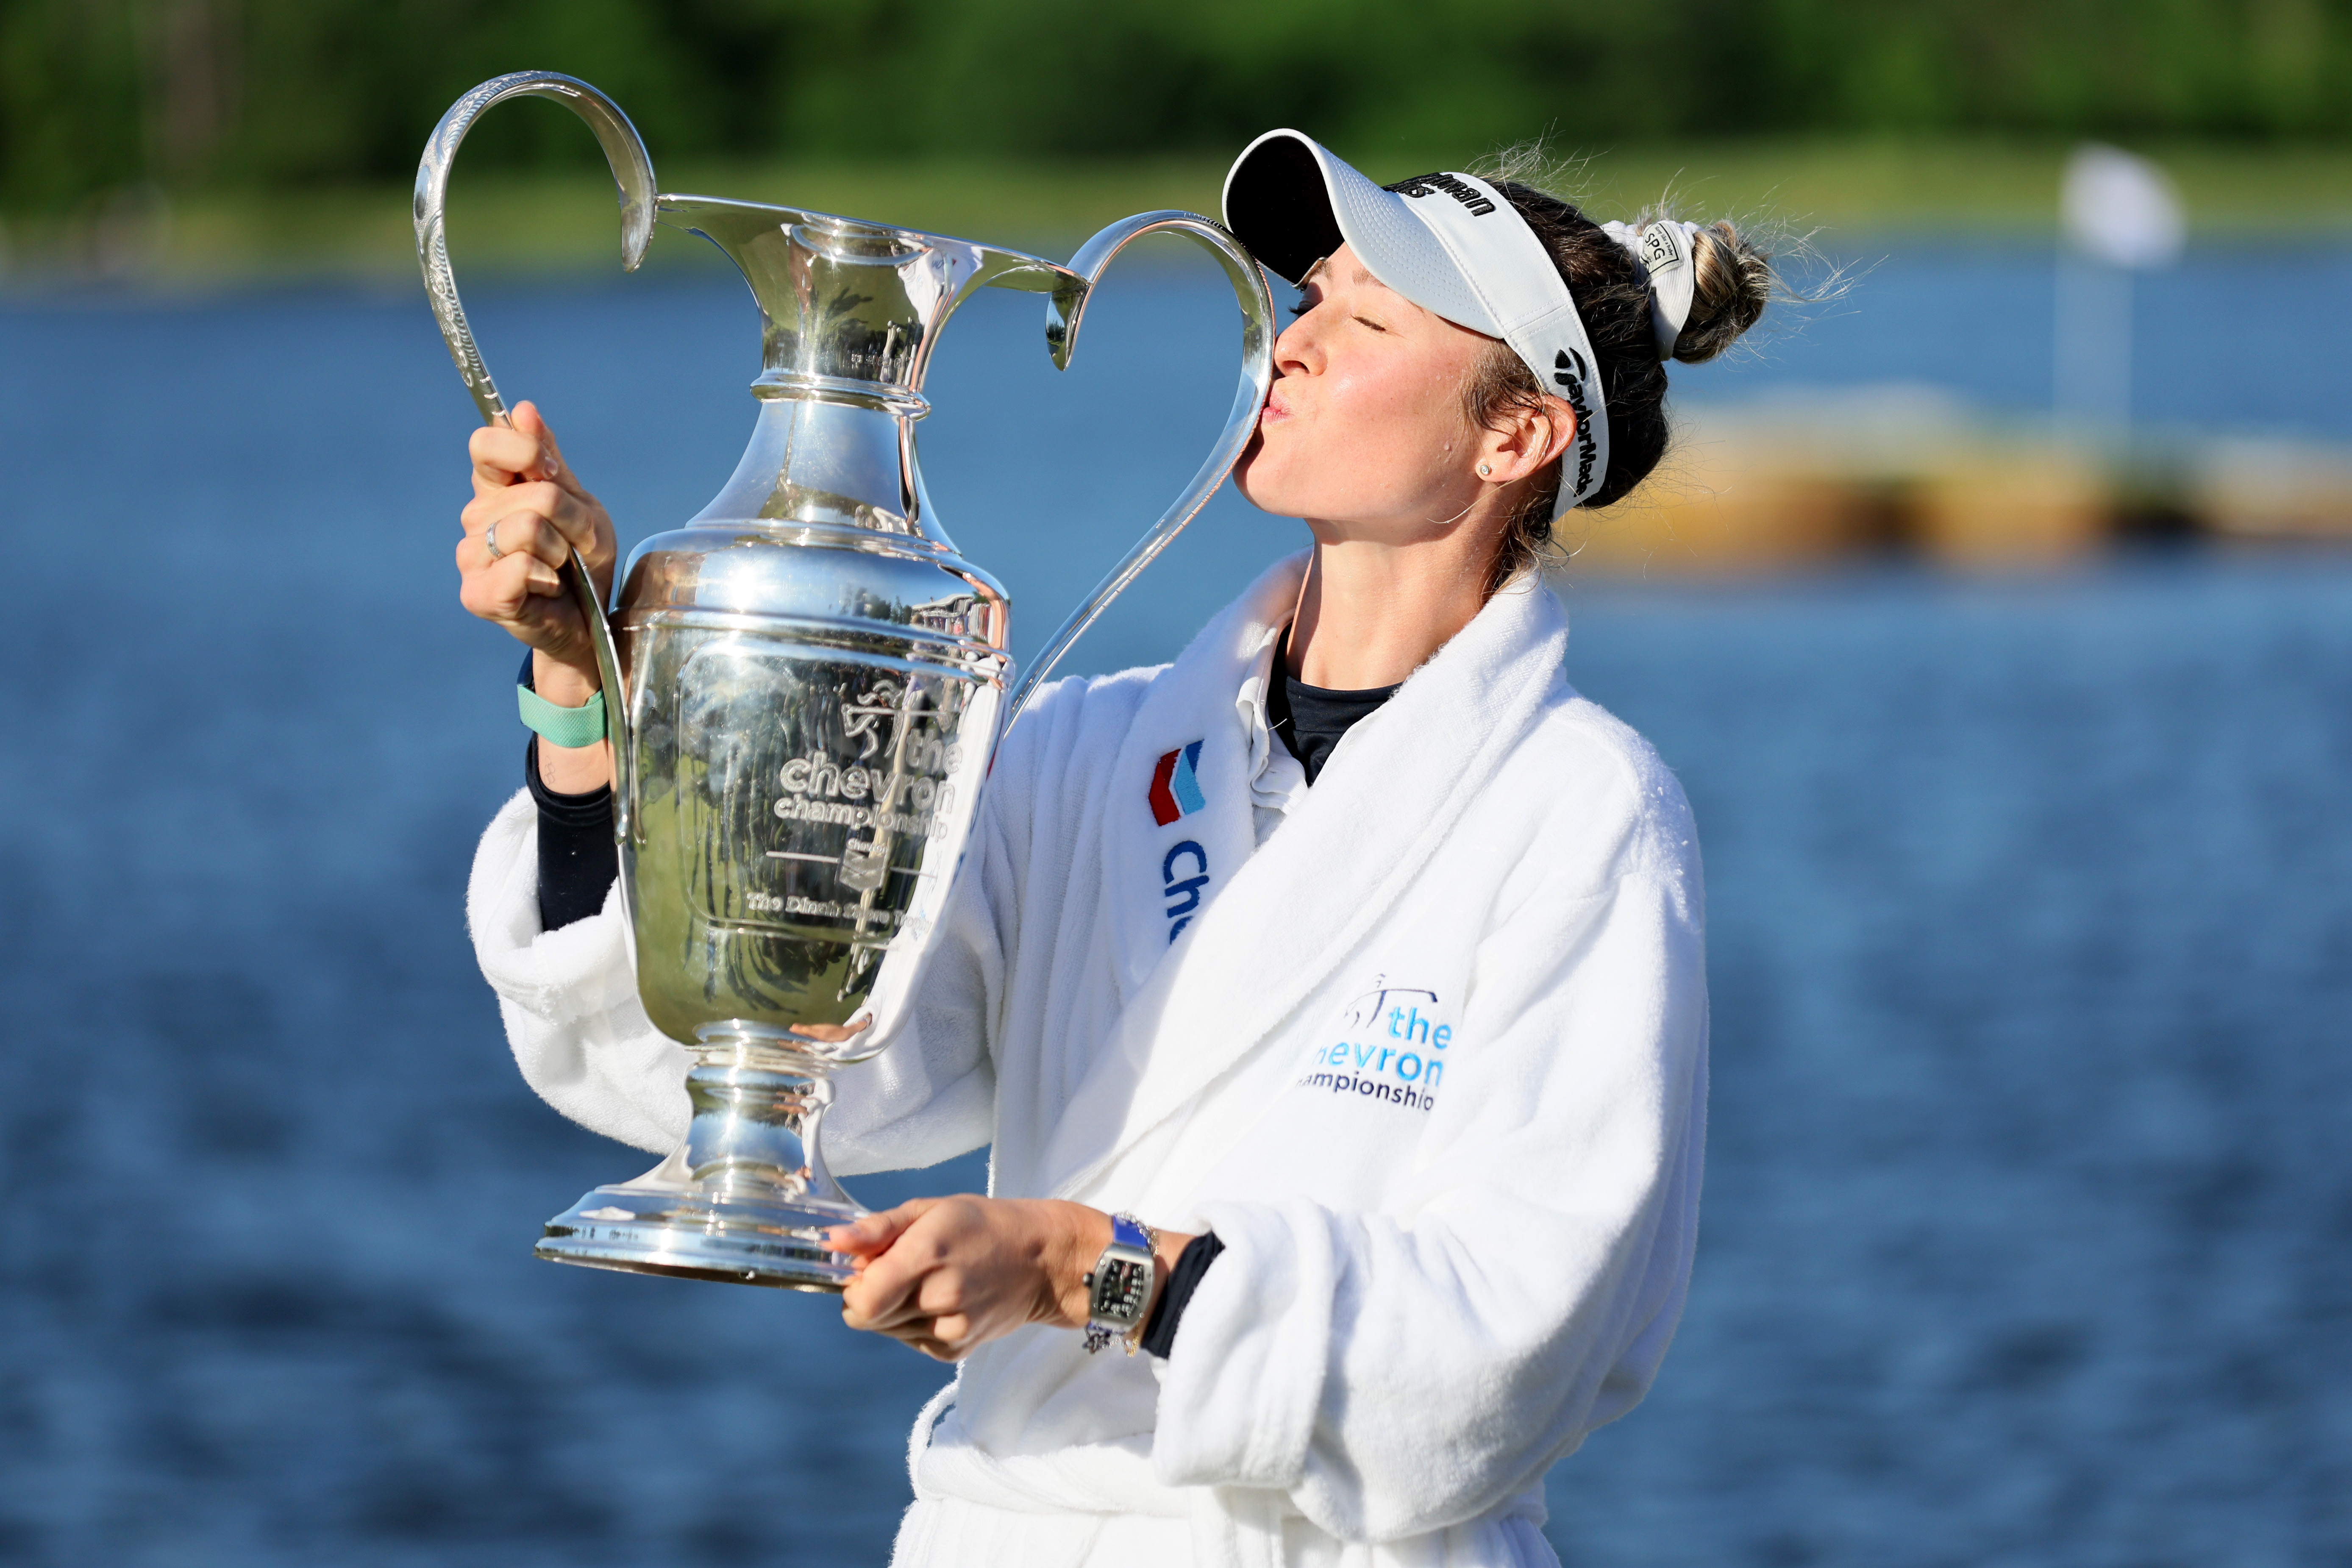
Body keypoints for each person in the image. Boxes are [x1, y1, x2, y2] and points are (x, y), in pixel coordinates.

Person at [458, 131, 1776, 1568]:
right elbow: (753, 1062)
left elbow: (1510, 1353)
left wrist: (1083, 1268)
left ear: (1514, 436)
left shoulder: (1581, 811)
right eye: (1308, 297)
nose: (1293, 341)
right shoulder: (1089, 750)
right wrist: (584, 693)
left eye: (1367, 320)